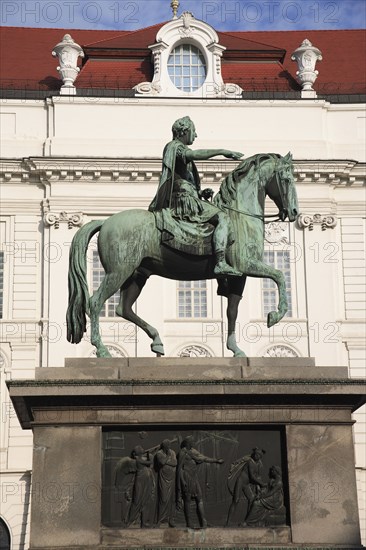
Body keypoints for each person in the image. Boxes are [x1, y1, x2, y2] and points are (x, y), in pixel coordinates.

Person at [149, 116, 243, 277]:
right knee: (223, 218)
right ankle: (220, 262)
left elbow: (182, 179)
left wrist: (199, 193)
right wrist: (222, 151)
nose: (196, 135)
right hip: (183, 201)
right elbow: (194, 155)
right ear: (184, 131)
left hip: (189, 196)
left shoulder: (178, 149)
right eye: (194, 131)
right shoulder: (174, 147)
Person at [177, 436, 224, 528]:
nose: (194, 443)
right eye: (192, 442)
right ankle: (189, 522)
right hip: (187, 478)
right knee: (187, 500)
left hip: (194, 478)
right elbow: (179, 469)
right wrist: (182, 481)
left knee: (200, 498)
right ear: (188, 443)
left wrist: (216, 460)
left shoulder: (193, 451)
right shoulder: (182, 453)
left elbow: (203, 458)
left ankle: (204, 522)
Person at [226, 447, 266, 526]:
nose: (256, 456)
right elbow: (252, 477)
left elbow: (258, 476)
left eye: (258, 455)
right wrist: (262, 484)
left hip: (246, 484)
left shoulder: (259, 464)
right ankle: (228, 522)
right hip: (240, 482)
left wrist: (259, 487)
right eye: (255, 454)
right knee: (236, 500)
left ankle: (247, 522)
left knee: (251, 499)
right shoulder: (250, 462)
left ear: (260, 456)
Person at [127, 446, 155, 528]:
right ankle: (131, 521)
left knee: (146, 500)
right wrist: (150, 455)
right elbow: (150, 462)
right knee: (137, 500)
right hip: (140, 481)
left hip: (146, 481)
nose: (143, 449)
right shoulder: (138, 459)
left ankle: (144, 522)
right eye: (141, 449)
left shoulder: (141, 458)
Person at [155, 439, 177, 527]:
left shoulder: (173, 452)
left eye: (169, 446)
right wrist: (168, 457)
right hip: (163, 478)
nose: (169, 447)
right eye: (167, 446)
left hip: (171, 478)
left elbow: (175, 463)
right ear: (164, 446)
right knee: (163, 498)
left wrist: (167, 461)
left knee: (171, 499)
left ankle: (170, 520)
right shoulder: (159, 453)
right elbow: (162, 462)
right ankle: (160, 519)